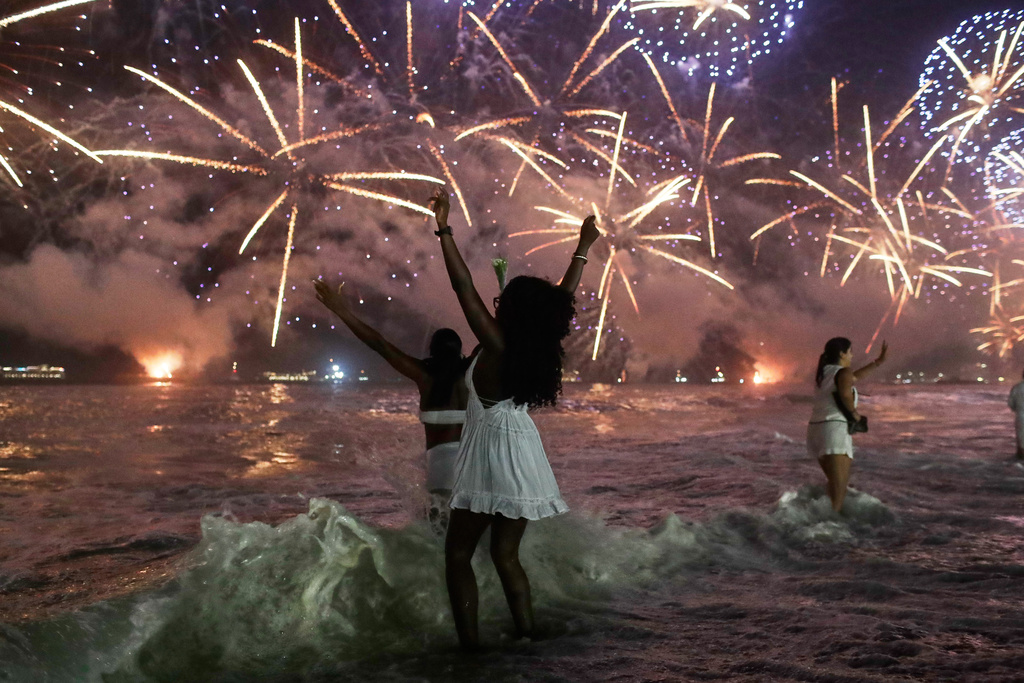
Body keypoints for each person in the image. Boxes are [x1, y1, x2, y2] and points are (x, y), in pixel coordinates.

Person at [428, 186, 599, 650]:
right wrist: (582, 248)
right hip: (523, 453)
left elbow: (462, 287)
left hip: (490, 456)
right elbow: (563, 297)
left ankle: (471, 650)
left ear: (511, 309)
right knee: (506, 555)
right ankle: (528, 636)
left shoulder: (499, 343)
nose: (497, 304)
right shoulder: (538, 346)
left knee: (458, 554)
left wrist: (444, 229)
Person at [313, 278, 469, 526]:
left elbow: (380, 345)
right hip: (478, 472)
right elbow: (499, 344)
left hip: (441, 474)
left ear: (432, 351)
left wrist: (341, 310)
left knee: (440, 545)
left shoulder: (425, 376)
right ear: (460, 350)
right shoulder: (472, 374)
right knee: (477, 547)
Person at [807, 337, 888, 513]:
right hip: (834, 431)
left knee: (833, 484)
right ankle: (828, 528)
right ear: (842, 353)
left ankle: (823, 519)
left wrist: (878, 362)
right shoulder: (842, 372)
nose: (852, 355)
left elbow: (853, 377)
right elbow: (845, 394)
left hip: (816, 430)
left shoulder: (825, 373)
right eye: (850, 351)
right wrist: (855, 416)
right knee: (840, 487)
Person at [1008, 370, 1024, 460]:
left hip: (1020, 417)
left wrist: (1017, 410)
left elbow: (1010, 403)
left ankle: (1019, 461)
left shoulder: (1016, 388)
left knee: (1021, 440)